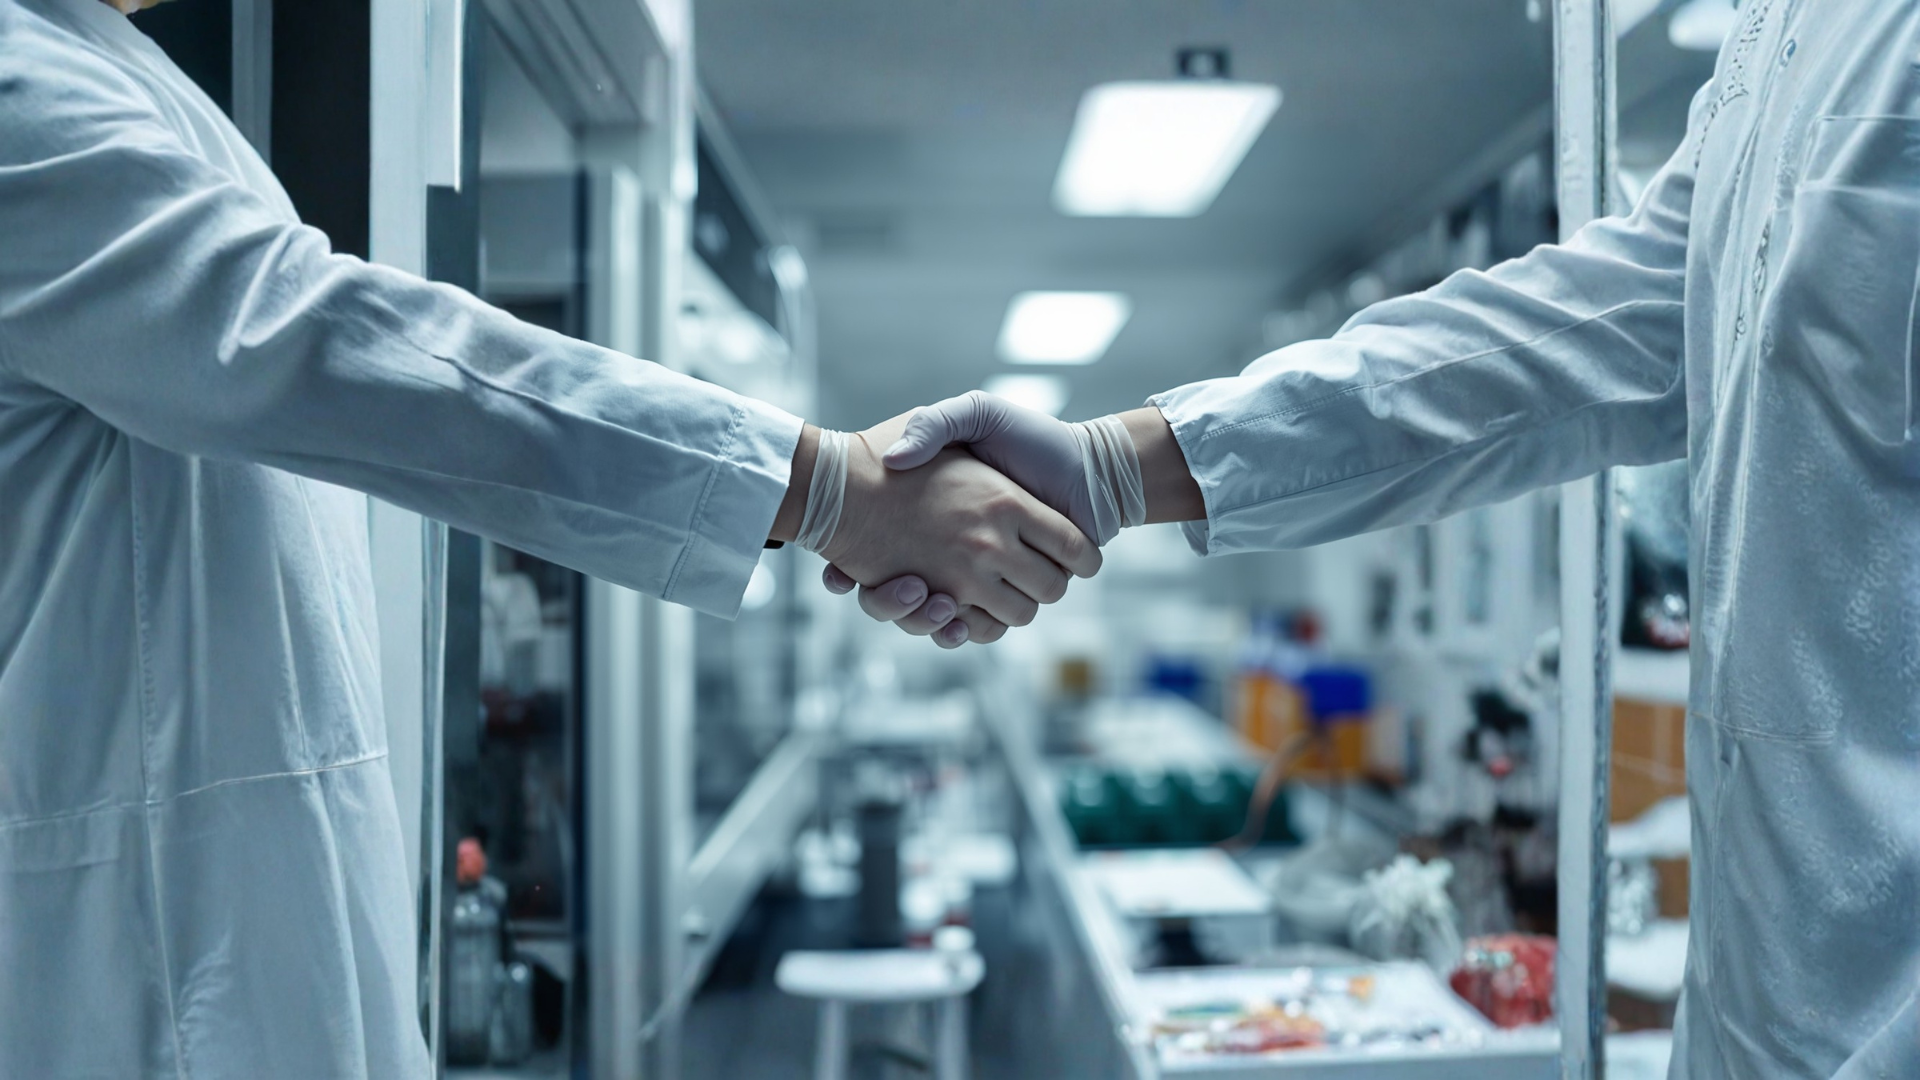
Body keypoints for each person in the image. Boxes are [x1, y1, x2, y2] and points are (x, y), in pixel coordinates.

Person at [0, 0, 1098, 1074]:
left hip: (256, 936)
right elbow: (301, 337)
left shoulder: (126, 75)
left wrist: (852, 491)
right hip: (137, 974)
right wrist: (828, 490)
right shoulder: (22, 82)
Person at [847, 4, 1920, 1077]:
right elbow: (1583, 332)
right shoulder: (1777, 36)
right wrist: (1120, 465)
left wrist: (842, 499)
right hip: (1748, 1025)